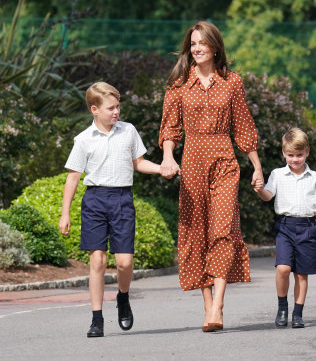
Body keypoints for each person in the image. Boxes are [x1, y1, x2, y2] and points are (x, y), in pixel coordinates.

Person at [158, 21, 264, 332]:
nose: (197, 48)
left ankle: (218, 305)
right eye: (193, 44)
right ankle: (207, 308)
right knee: (197, 234)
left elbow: (243, 127)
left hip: (224, 161)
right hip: (191, 162)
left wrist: (256, 166)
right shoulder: (178, 85)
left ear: (215, 47)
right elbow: (170, 129)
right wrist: (167, 157)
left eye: (203, 43)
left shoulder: (232, 82)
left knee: (222, 228)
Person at [58, 82, 162, 338]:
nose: (116, 112)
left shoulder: (128, 131)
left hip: (122, 198)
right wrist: (65, 213)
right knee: (98, 260)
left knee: (124, 263)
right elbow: (73, 177)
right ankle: (96, 319)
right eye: (111, 107)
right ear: (95, 109)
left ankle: (123, 298)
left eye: (118, 106)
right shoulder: (83, 140)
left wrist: (161, 168)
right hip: (94, 200)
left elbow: (139, 163)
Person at [256, 128, 316, 329]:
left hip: (307, 227)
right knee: (283, 268)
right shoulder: (277, 175)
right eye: (290, 155)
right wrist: (260, 190)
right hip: (286, 227)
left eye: (299, 155)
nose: (295, 159)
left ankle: (298, 313)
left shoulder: (315, 177)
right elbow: (268, 195)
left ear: (307, 152)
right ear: (284, 153)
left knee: (301, 274)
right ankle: (282, 307)